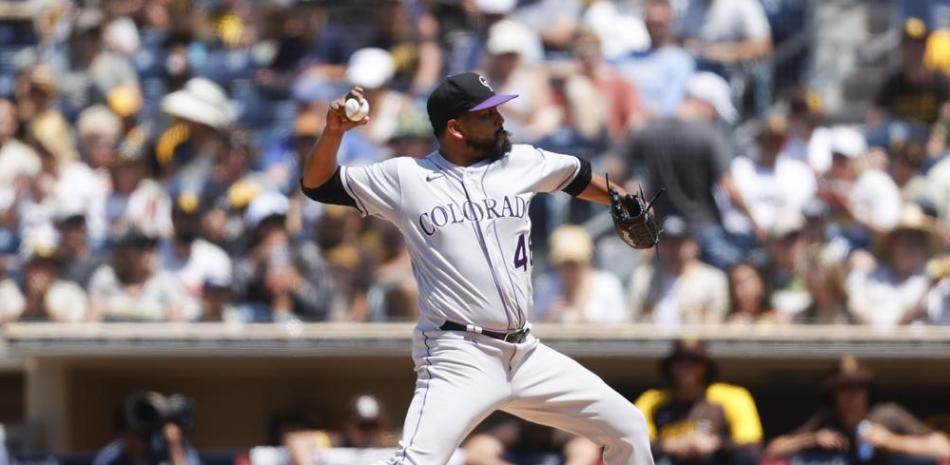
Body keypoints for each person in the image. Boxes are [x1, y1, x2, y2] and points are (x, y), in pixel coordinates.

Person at [300, 74, 655, 465]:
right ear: (455, 127)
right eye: (487, 114)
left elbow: (578, 175)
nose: (500, 119)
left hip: (525, 353)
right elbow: (319, 184)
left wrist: (619, 200)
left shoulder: (522, 162)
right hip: (459, 353)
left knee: (629, 427)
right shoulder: (406, 177)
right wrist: (333, 133)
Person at [764, 357, 950, 461]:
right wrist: (813, 439)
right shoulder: (827, 419)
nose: (852, 395)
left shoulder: (887, 414)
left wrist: (892, 441)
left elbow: (944, 448)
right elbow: (772, 450)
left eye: (858, 386)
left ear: (867, 390)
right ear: (834, 393)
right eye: (844, 387)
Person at [635, 339, 763, 465]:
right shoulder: (652, 400)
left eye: (694, 361)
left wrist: (716, 444)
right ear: (670, 366)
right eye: (680, 360)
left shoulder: (732, 396)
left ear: (706, 366)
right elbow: (633, 444)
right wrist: (669, 445)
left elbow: (752, 447)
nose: (686, 366)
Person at [629, 216, 729, 325]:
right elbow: (633, 320)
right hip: (653, 340)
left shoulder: (713, 279)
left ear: (693, 245)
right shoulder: (643, 278)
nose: (673, 248)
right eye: (667, 241)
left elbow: (714, 325)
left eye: (680, 242)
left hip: (692, 340)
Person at [533, 225, 628, 323]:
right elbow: (535, 328)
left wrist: (585, 321)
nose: (569, 269)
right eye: (564, 263)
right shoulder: (545, 285)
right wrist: (549, 318)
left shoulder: (608, 285)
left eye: (574, 263)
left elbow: (620, 327)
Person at [283, 394, 399, 465]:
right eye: (362, 425)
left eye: (373, 425)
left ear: (384, 426)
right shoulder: (338, 440)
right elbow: (297, 441)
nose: (368, 432)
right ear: (348, 427)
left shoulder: (391, 441)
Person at [93, 392, 201, 465]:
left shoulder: (167, 448)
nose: (136, 442)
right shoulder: (112, 456)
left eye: (140, 435)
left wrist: (174, 447)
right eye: (130, 435)